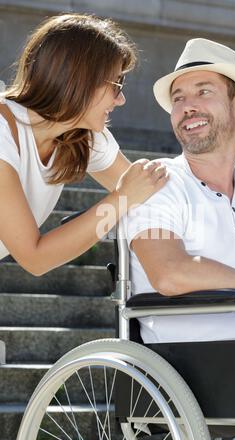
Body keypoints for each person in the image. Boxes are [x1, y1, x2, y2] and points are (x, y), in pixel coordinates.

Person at [124, 38, 235, 417]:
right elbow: (169, 272)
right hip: (195, 369)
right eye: (178, 98)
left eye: (203, 91)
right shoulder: (155, 184)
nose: (188, 106)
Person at [0, 13, 168, 274]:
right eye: (116, 85)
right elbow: (35, 258)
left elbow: (151, 192)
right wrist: (122, 199)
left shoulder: (79, 135)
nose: (120, 100)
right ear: (79, 81)